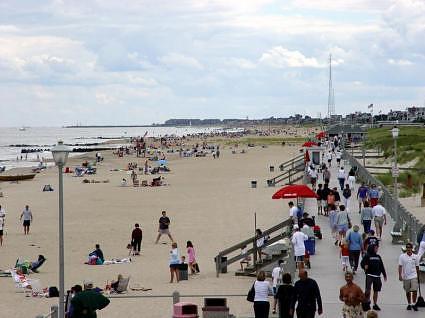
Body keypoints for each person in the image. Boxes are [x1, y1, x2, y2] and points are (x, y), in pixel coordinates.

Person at [360, 244, 387, 311]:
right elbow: (362, 264)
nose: (377, 249)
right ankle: (367, 302)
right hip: (369, 275)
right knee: (367, 290)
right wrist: (364, 267)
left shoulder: (378, 257)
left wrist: (384, 275)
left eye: (377, 248)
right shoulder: (367, 256)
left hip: (377, 276)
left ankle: (375, 304)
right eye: (375, 248)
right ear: (372, 248)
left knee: (376, 290)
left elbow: (381, 266)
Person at [398, 242, 420, 311]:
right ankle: (409, 304)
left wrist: (418, 276)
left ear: (411, 248)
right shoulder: (402, 256)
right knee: (407, 291)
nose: (408, 249)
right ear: (406, 249)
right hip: (406, 276)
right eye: (407, 248)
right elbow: (400, 266)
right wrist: (400, 275)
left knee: (414, 290)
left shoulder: (415, 257)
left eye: (409, 248)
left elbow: (417, 267)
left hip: (414, 276)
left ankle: (414, 303)